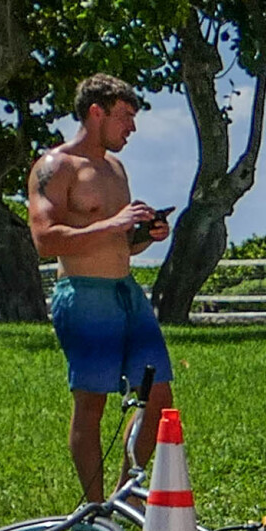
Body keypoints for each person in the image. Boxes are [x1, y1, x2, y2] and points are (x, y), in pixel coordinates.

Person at [28, 74, 175, 504]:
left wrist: (146, 235)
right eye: (125, 117)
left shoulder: (115, 168)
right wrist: (112, 223)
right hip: (84, 294)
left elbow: (117, 242)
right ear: (97, 112)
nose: (131, 128)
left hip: (126, 292)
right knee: (92, 405)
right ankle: (93, 511)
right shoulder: (55, 166)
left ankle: (124, 496)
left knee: (159, 398)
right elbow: (45, 239)